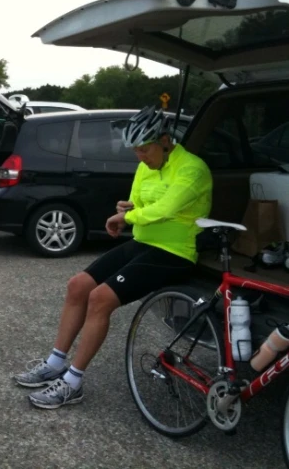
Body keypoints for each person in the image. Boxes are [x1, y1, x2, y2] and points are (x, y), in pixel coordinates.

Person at [13, 104, 213, 409]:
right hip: (144, 242)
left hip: (174, 251)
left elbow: (165, 209)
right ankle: (55, 362)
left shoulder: (192, 169)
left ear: (164, 140)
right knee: (78, 285)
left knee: (101, 298)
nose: (140, 157)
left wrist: (128, 219)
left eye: (144, 150)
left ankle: (73, 383)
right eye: (135, 151)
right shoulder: (147, 165)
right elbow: (138, 202)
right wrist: (126, 209)